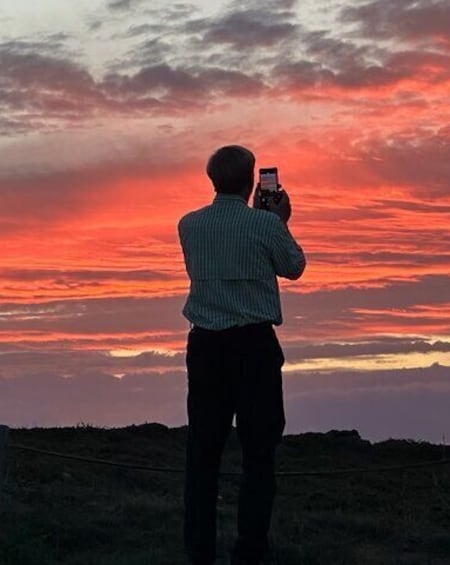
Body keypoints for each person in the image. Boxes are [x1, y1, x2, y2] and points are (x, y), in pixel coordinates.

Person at [177, 145, 306, 565]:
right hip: (253, 346)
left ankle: (199, 551)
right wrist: (279, 222)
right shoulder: (265, 225)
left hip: (206, 346)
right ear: (252, 181)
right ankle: (250, 551)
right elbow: (294, 266)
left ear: (212, 179)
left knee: (203, 452)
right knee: (259, 453)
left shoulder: (189, 225)